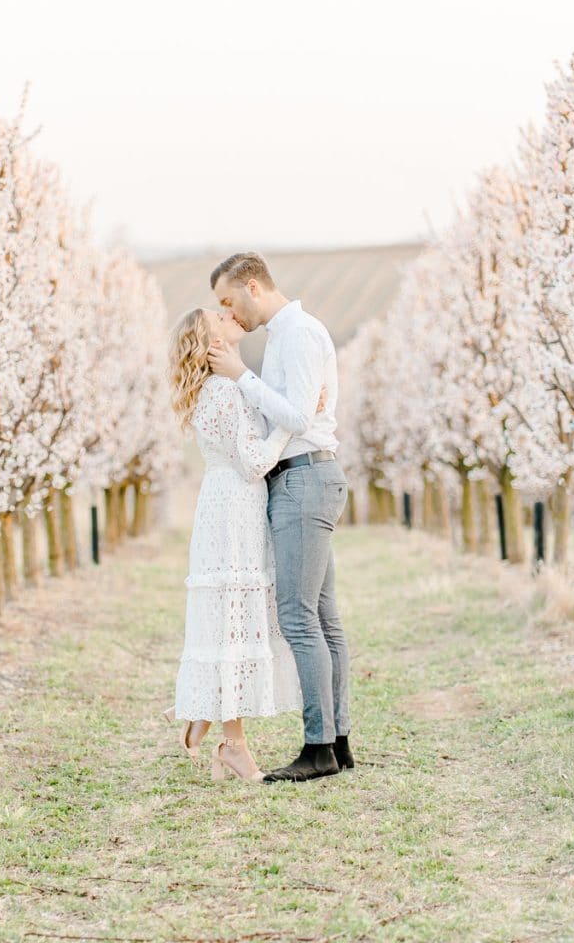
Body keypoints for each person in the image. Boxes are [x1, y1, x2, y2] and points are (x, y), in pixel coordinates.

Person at [208, 251, 354, 783]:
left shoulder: (294, 334)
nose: (230, 313)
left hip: (302, 479)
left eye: (228, 300)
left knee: (298, 616)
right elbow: (296, 409)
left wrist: (240, 375)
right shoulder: (292, 334)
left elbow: (295, 415)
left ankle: (318, 748)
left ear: (252, 285)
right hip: (310, 475)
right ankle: (337, 742)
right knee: (324, 617)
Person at [167, 306, 304, 782]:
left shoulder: (222, 388)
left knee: (234, 618)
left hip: (230, 507)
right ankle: (233, 743)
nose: (231, 316)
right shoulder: (224, 392)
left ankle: (209, 716)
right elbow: (253, 462)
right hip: (234, 510)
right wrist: (292, 424)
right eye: (220, 318)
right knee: (234, 620)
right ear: (211, 342)